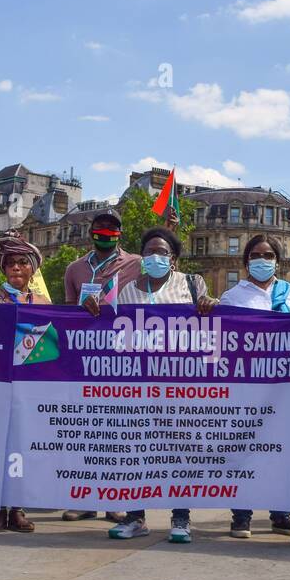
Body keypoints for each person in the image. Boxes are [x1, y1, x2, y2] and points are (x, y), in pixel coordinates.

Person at [87, 227, 216, 542]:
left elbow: (209, 315)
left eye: (161, 251)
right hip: (136, 387)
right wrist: (90, 305)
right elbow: (96, 315)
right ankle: (135, 517)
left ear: (172, 257)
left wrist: (210, 303)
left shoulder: (191, 283)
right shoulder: (124, 287)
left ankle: (181, 519)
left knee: (179, 452)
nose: (154, 256)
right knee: (135, 450)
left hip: (180, 385)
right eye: (148, 251)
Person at [217, 233, 290, 538]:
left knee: (281, 450)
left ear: (278, 261)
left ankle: (280, 513)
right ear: (246, 262)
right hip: (247, 385)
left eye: (268, 255)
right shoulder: (233, 297)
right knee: (244, 450)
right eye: (255, 255)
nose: (262, 260)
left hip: (284, 387)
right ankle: (241, 515)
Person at [61, 210, 142, 524]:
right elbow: (66, 312)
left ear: (120, 233)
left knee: (120, 431)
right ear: (90, 231)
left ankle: (116, 499)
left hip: (124, 355)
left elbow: (161, 281)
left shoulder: (136, 263)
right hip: (85, 358)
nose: (104, 232)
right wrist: (81, 309)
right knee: (87, 430)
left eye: (111, 228)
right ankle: (85, 499)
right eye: (99, 228)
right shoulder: (74, 268)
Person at [0, 231, 50, 532]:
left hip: (29, 383)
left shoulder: (44, 301)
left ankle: (17, 508)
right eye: (11, 264)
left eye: (22, 262)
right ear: (3, 268)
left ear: (32, 268)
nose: (17, 268)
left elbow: (53, 341)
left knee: (22, 447)